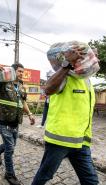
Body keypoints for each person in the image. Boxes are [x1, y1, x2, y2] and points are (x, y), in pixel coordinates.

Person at [31, 46, 99, 184]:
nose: (95, 59)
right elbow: (48, 89)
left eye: (95, 56)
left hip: (81, 142)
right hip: (59, 142)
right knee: (45, 175)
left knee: (90, 180)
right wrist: (67, 65)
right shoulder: (64, 75)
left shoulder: (86, 80)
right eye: (91, 56)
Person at [0, 63, 35, 185]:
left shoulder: (21, 86)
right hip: (4, 122)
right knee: (10, 149)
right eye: (19, 71)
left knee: (11, 144)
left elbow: (23, 102)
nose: (21, 74)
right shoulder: (3, 83)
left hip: (15, 122)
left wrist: (29, 114)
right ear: (13, 71)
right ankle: (9, 174)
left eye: (22, 72)